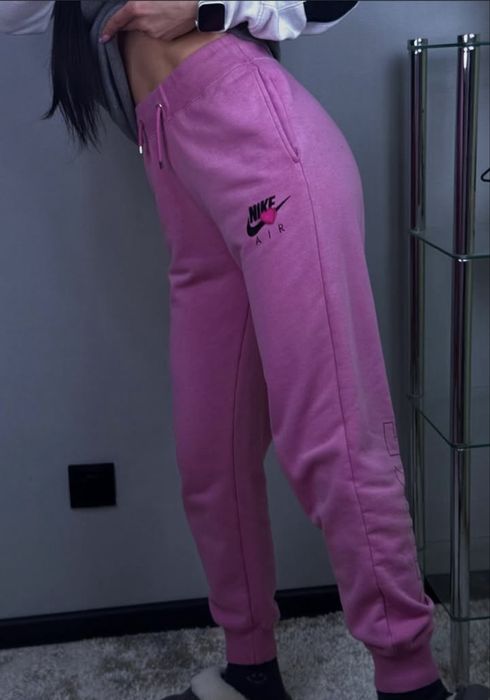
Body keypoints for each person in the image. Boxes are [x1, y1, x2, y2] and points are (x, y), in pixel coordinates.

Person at [0, 3, 487, 700]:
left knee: (332, 434)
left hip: (261, 143)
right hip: (176, 171)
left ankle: (410, 680)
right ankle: (249, 668)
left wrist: (207, 5)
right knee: (210, 455)